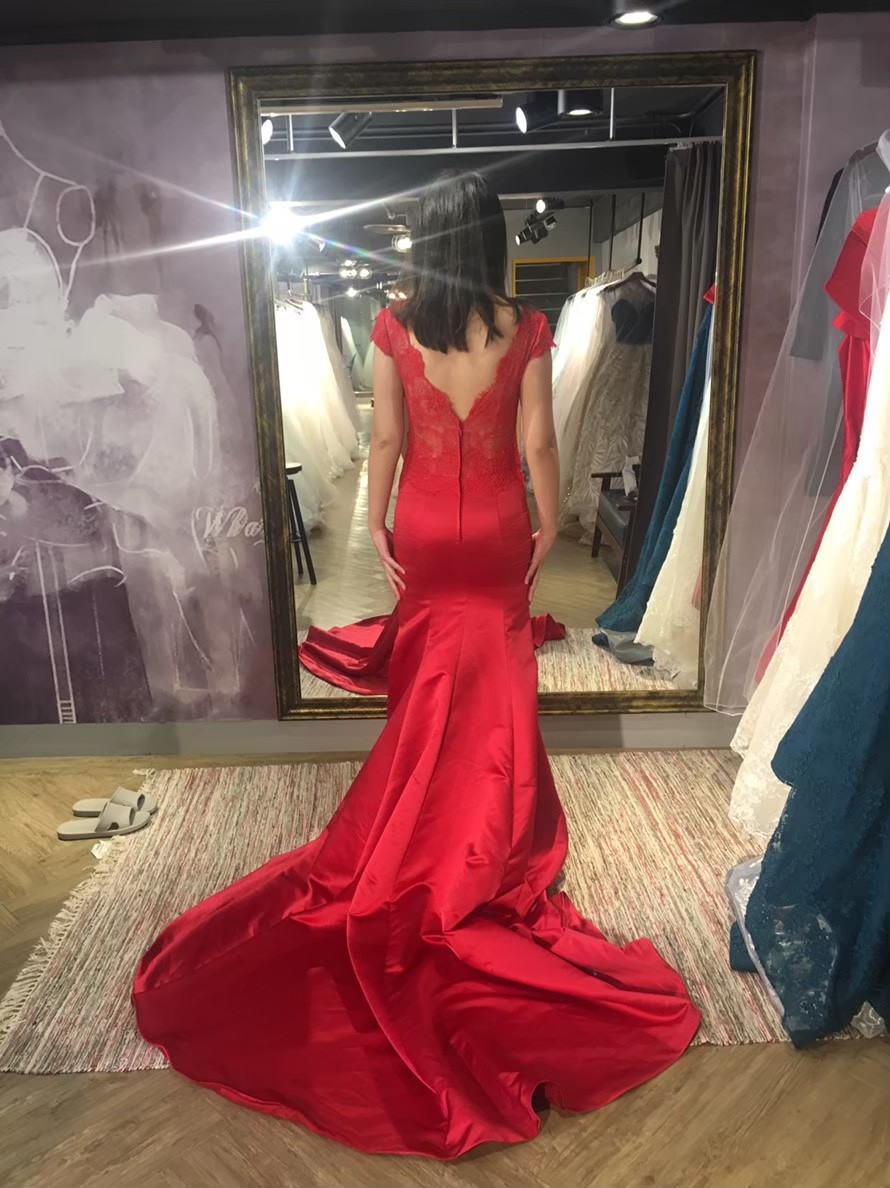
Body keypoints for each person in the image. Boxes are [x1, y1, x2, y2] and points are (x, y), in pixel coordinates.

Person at [133, 171, 699, 1159]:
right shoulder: (524, 329)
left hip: (430, 527)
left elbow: (388, 437)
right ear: (490, 239)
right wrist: (544, 527)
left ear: (424, 242)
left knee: (428, 684)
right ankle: (486, 833)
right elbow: (537, 441)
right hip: (498, 529)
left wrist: (380, 526)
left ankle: (425, 814)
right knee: (498, 687)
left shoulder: (395, 330)